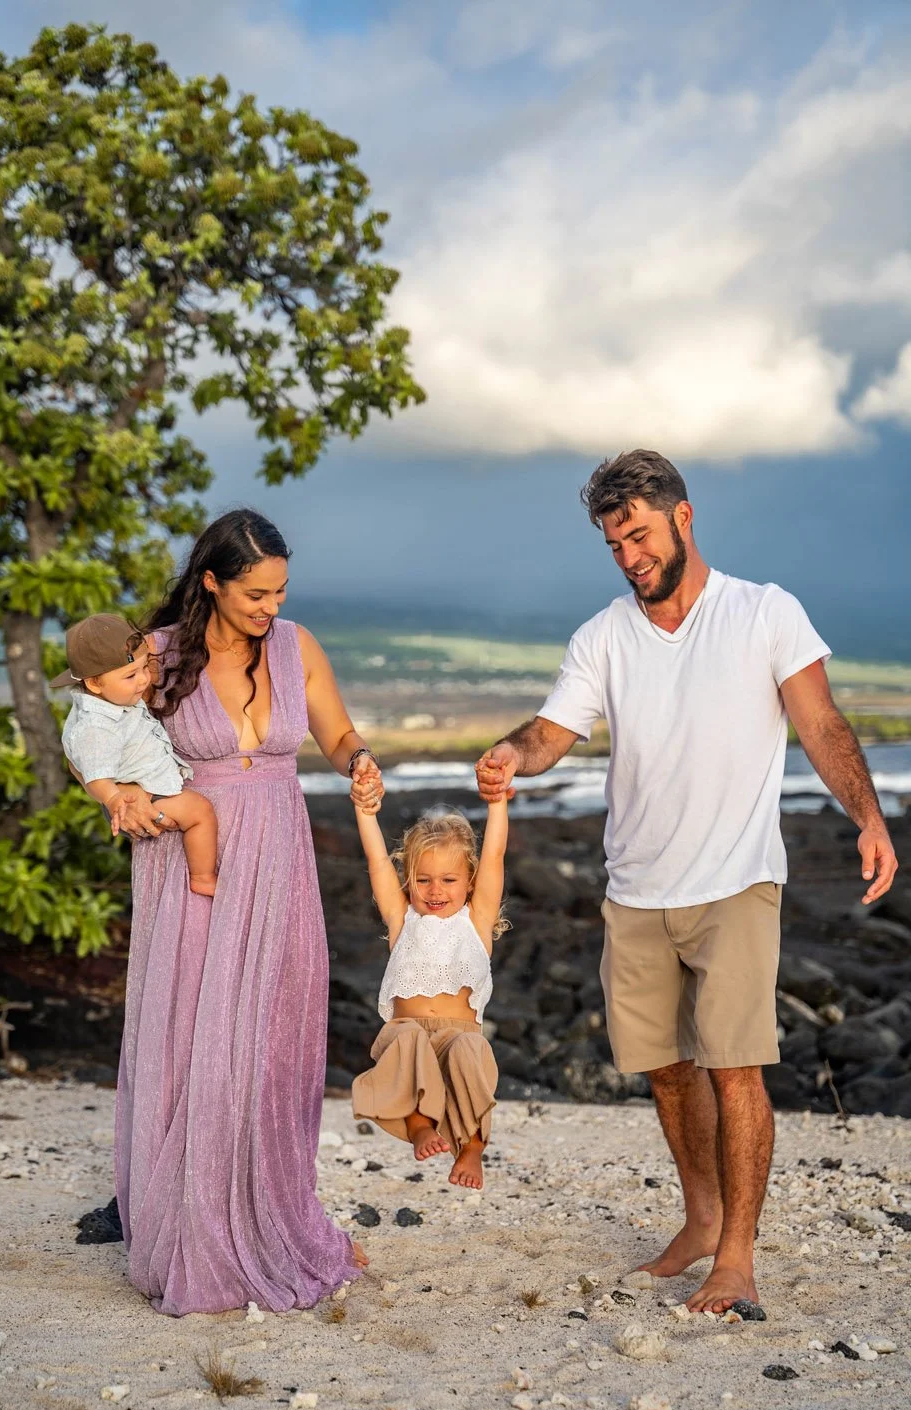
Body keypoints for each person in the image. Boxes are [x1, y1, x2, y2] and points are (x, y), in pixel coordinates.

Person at [476, 449, 898, 1315]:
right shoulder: (602, 637)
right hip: (635, 890)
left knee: (736, 1070)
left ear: (683, 516)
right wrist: (512, 754)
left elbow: (820, 724)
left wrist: (867, 816)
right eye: (612, 543)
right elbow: (555, 731)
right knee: (668, 1071)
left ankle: (736, 1260)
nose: (629, 555)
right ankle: (701, 1219)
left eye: (637, 533)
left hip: (737, 880)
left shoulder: (764, 613)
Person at [106, 508, 384, 1316]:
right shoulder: (154, 658)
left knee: (272, 1044)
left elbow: (337, 734)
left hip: (279, 858)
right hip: (191, 865)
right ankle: (194, 1230)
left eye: (281, 591)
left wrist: (359, 761)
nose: (271, 607)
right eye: (256, 593)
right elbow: (102, 741)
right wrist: (122, 800)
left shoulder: (297, 647)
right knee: (197, 1038)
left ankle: (278, 1220)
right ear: (212, 583)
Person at [351, 800, 507, 1190]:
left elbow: (495, 855)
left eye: (449, 880)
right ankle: (420, 1126)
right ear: (408, 880)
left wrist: (498, 803)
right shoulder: (402, 919)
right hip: (408, 1039)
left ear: (470, 881)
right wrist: (364, 810)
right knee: (408, 1037)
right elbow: (375, 860)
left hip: (460, 1037)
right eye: (423, 880)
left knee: (468, 1052)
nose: (435, 890)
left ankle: (471, 1147)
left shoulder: (477, 921)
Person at [53, 614, 219, 896]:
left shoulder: (116, 698)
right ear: (94, 683)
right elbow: (94, 773)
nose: (143, 680)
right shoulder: (95, 726)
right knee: (201, 812)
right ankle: (203, 876)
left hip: (149, 785)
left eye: (145, 667)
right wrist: (114, 798)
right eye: (131, 675)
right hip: (143, 796)